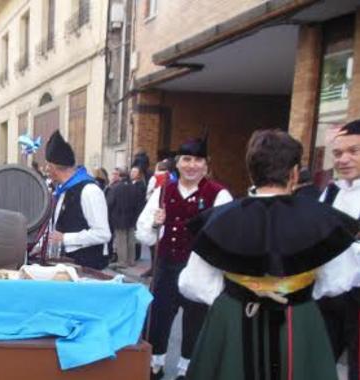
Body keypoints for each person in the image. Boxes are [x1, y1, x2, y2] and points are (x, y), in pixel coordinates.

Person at [179, 129, 359, 380]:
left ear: (251, 171)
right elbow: (340, 279)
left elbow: (193, 283)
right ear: (294, 173)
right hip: (298, 316)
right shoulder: (321, 219)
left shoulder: (220, 219)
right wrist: (296, 292)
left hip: (233, 318)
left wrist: (237, 297)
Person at [135, 134, 232, 380]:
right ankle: (154, 366)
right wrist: (158, 225)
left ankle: (187, 371)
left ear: (206, 164)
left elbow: (226, 239)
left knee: (195, 323)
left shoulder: (219, 194)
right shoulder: (163, 191)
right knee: (158, 319)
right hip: (167, 267)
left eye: (198, 160)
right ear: (177, 163)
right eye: (186, 159)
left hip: (199, 270)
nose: (191, 165)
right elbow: (143, 234)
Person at [318, 119, 360, 380]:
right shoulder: (330, 193)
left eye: (353, 151)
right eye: (337, 153)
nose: (343, 159)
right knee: (317, 364)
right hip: (329, 296)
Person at [45, 131, 112, 270]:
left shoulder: (89, 191)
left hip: (89, 267)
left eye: (48, 166)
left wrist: (65, 238)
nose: (46, 170)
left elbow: (103, 234)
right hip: (68, 265)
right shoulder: (64, 191)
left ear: (53, 167)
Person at [108, 166, 147, 268]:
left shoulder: (115, 188)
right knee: (131, 239)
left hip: (118, 216)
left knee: (121, 240)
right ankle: (131, 260)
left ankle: (122, 262)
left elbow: (110, 203)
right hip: (132, 216)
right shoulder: (134, 187)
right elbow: (139, 203)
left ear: (120, 176)